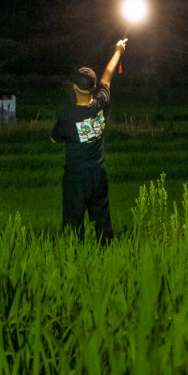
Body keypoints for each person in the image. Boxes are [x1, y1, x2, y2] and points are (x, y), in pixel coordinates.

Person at [50, 38, 126, 241]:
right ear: (94, 87)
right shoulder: (102, 102)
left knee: (73, 227)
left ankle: (76, 258)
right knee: (103, 223)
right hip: (99, 175)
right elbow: (108, 77)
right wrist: (118, 51)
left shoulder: (68, 116)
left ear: (75, 87)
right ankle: (107, 256)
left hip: (76, 178)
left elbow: (54, 139)